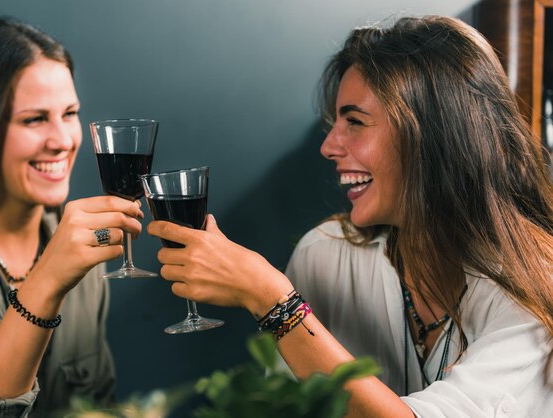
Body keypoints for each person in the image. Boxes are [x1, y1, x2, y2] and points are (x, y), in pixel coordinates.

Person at [148, 15, 553, 417]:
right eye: (334, 122)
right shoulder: (325, 255)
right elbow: (285, 408)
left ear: (435, 134)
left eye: (355, 122)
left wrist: (272, 300)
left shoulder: (533, 285)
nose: (328, 146)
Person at [0, 17, 143, 417]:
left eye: (70, 113)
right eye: (34, 119)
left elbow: (95, 405)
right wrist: (47, 280)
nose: (62, 140)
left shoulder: (86, 248)